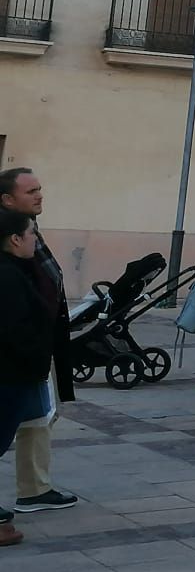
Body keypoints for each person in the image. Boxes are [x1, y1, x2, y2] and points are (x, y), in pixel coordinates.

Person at [0, 168, 76, 515]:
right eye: (31, 191)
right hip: (18, 349)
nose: (39, 195)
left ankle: (35, 488)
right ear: (7, 200)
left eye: (39, 189)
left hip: (36, 342)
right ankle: (33, 488)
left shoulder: (27, 228)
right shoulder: (9, 236)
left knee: (39, 415)